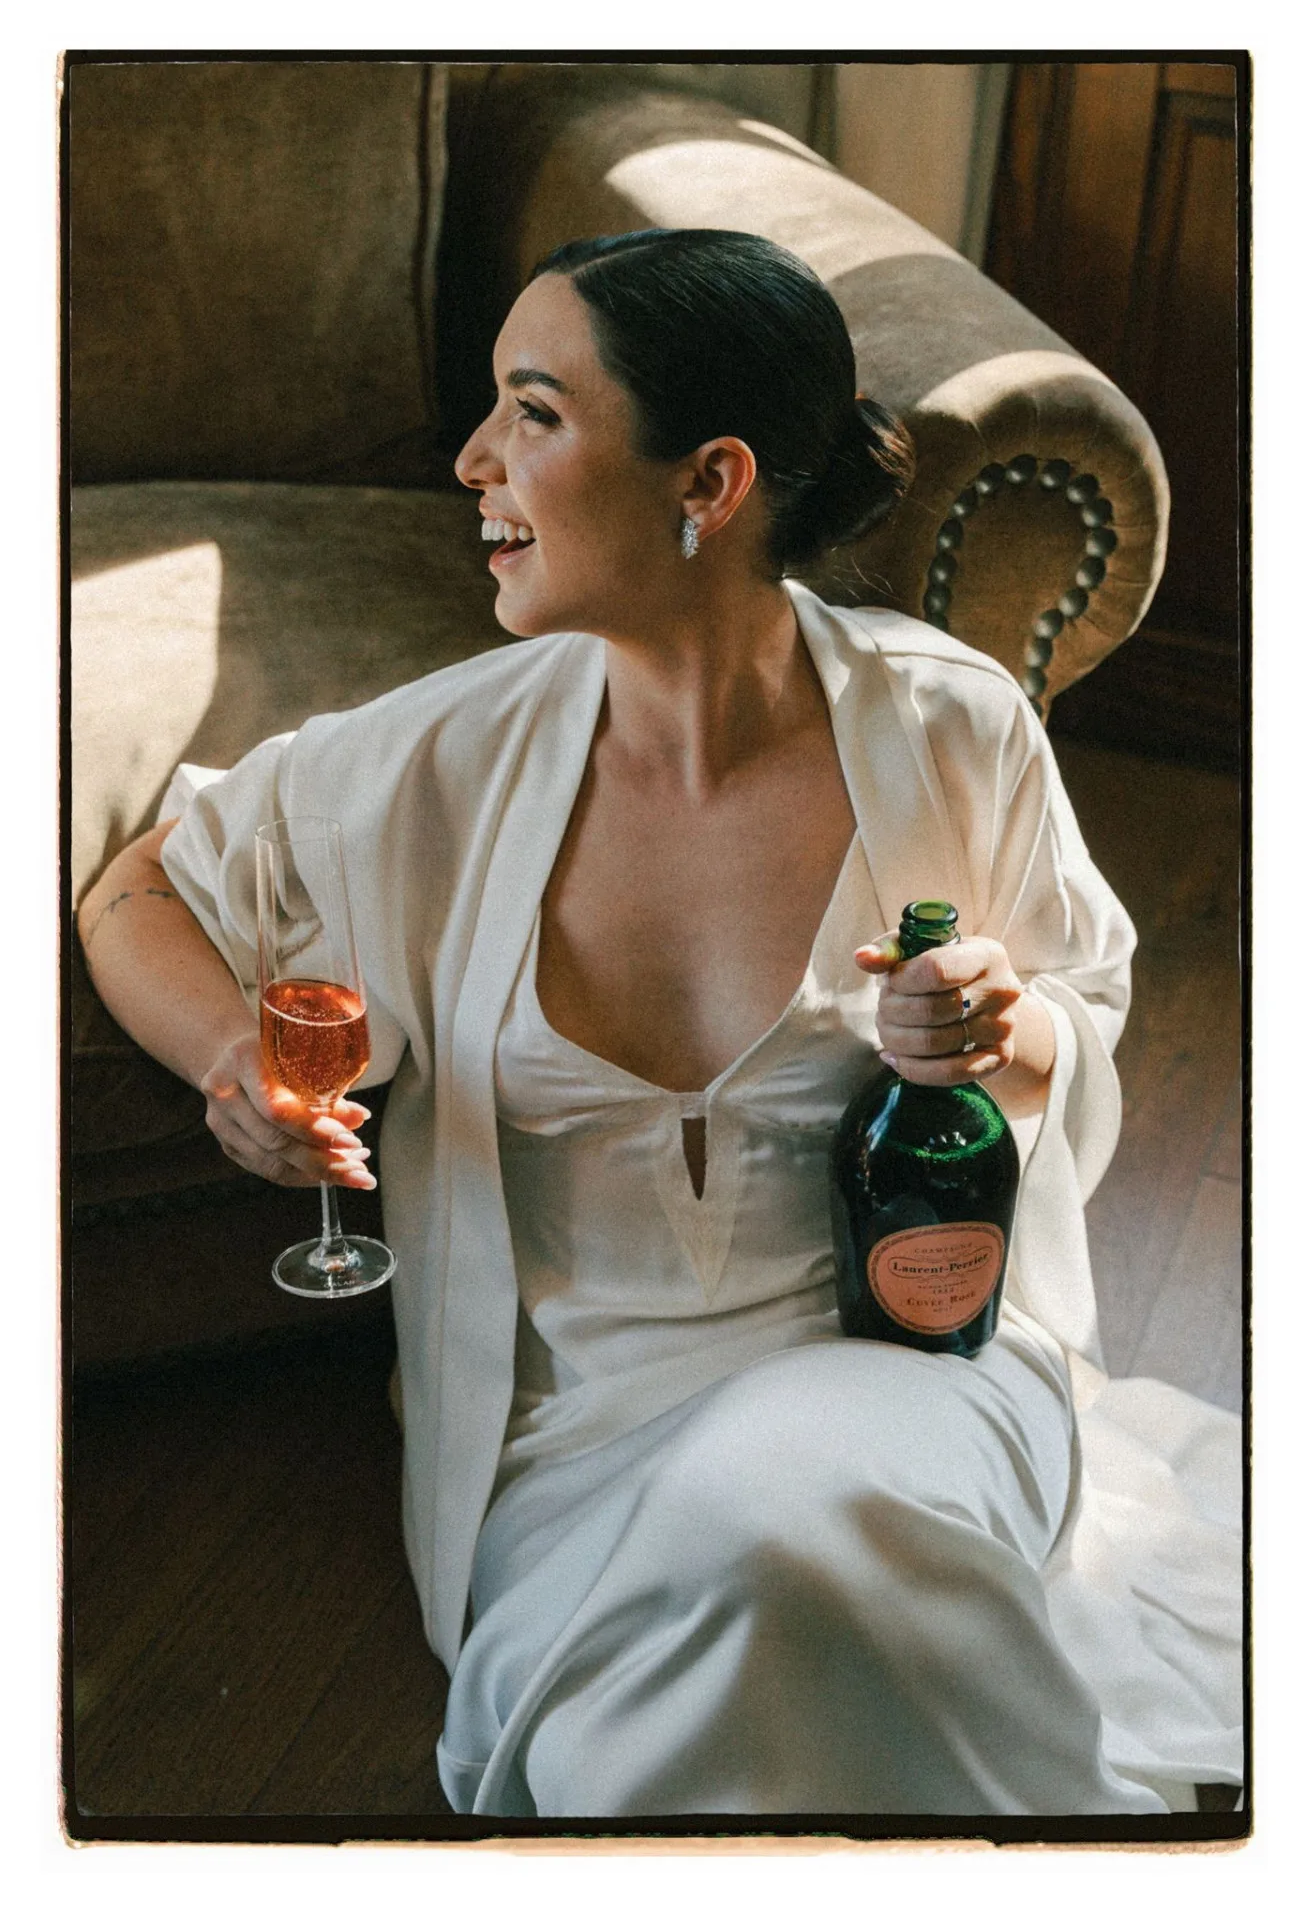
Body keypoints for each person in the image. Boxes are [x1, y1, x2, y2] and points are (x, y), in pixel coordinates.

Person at [79, 229, 1241, 1820]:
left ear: (709, 483)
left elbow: (1076, 1018)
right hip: (567, 1446)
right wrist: (235, 1061)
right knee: (686, 1694)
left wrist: (1004, 1032)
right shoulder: (432, 762)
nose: (473, 459)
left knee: (782, 1534)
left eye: (535, 411)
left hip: (907, 1369)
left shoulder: (949, 725)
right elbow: (139, 886)